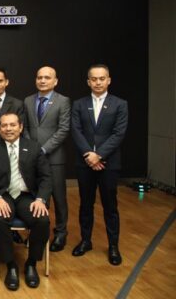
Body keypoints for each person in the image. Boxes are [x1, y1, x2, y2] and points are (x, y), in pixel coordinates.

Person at [0, 113, 51, 291]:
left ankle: (31, 263)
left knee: (42, 219)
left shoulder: (34, 147)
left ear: (20, 127)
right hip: (3, 195)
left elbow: (46, 177)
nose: (8, 129)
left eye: (12, 125)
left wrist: (40, 199)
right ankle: (11, 265)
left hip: (27, 196)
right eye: (4, 125)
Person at [71, 64, 128, 266]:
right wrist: (89, 155)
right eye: (94, 79)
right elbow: (76, 131)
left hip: (108, 164)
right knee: (85, 204)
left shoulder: (120, 104)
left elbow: (119, 134)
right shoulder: (79, 104)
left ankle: (113, 246)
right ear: (88, 81)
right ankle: (85, 241)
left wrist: (99, 155)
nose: (98, 82)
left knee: (110, 206)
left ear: (109, 80)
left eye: (102, 78)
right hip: (84, 162)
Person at [23, 66, 71, 252]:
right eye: (39, 77)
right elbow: (25, 127)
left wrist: (43, 150)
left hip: (54, 158)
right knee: (37, 196)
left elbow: (63, 130)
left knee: (59, 198)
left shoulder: (63, 101)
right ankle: (38, 234)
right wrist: (32, 150)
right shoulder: (28, 100)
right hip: (33, 158)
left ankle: (60, 233)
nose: (42, 80)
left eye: (47, 77)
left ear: (55, 81)